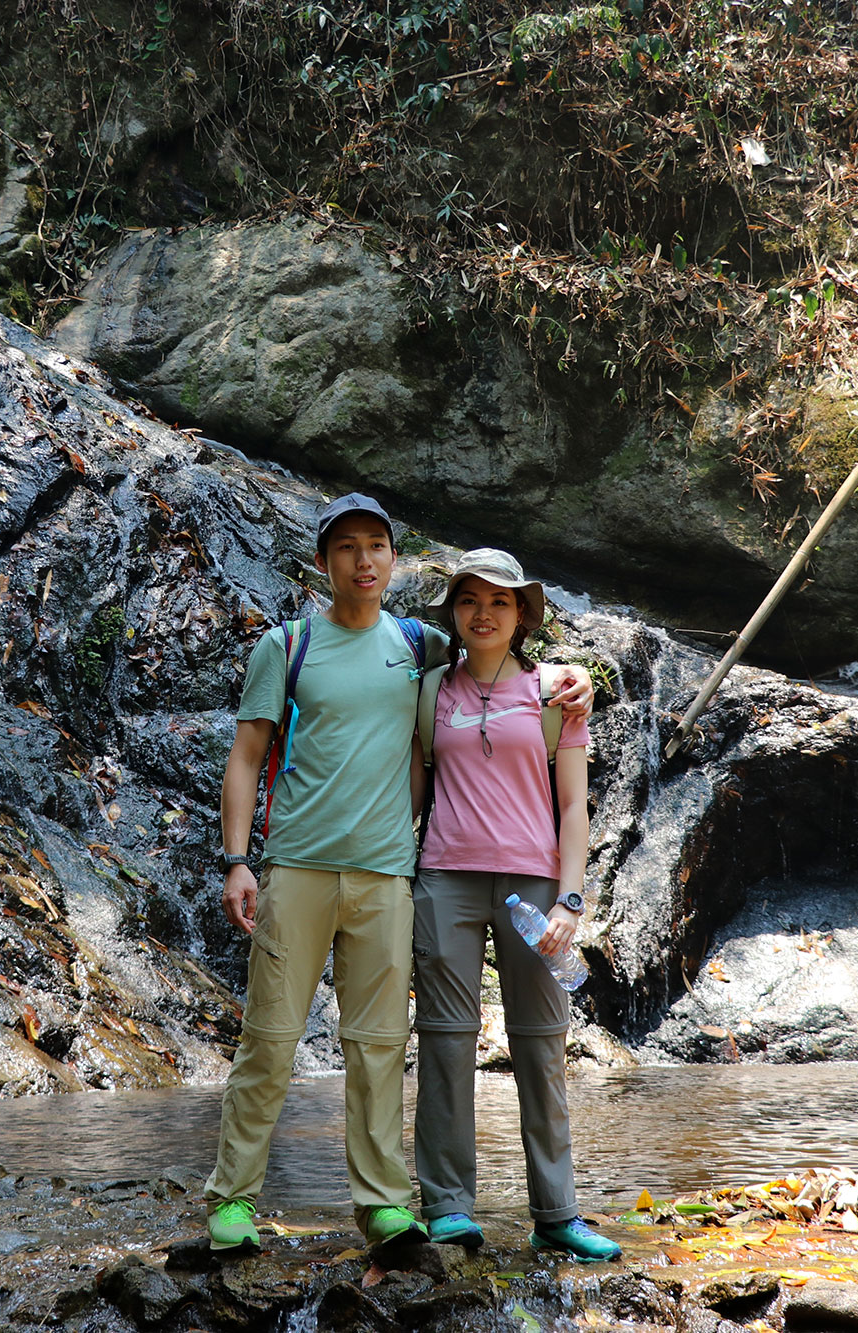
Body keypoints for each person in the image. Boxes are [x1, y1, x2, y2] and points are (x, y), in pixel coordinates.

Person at [206, 498, 593, 1254]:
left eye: (376, 546)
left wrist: (575, 675)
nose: (363, 560)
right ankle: (232, 1199)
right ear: (324, 562)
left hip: (387, 877)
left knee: (380, 1044)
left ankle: (384, 1202)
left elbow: (510, 672)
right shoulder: (286, 647)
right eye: (346, 548)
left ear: (392, 559)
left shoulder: (417, 646)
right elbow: (246, 756)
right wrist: (237, 859)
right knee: (270, 1037)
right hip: (298, 868)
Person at [410, 548, 622, 1262]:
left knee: (541, 1042)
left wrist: (571, 897)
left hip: (534, 887)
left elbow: (572, 805)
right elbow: (412, 787)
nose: (484, 613)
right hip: (445, 876)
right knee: (444, 1037)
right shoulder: (431, 687)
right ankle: (445, 1206)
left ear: (523, 614)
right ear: (454, 613)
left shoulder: (556, 690)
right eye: (469, 600)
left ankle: (557, 1213)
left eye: (500, 602)